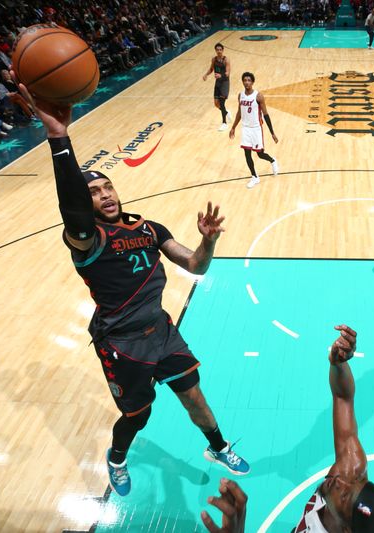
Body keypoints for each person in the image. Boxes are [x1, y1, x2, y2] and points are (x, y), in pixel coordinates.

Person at [17, 79, 250, 498]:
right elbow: (70, 204)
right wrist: (58, 138)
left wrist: (209, 240)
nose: (104, 195)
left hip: (161, 331)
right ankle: (118, 458)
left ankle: (218, 448)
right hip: (122, 344)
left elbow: (195, 266)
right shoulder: (87, 240)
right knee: (138, 416)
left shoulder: (147, 227)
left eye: (107, 186)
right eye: (93, 192)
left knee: (194, 397)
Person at [292, 325, 374, 532]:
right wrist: (338, 364)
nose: (341, 482)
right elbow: (343, 398)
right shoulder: (349, 470)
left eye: (345, 496)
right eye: (356, 482)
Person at [229, 72, 278, 189]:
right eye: (245, 80)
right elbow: (239, 113)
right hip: (245, 128)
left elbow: (266, 115)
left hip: (256, 129)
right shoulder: (240, 95)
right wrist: (233, 127)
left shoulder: (258, 96)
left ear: (252, 82)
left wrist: (272, 133)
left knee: (260, 154)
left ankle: (272, 160)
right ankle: (255, 177)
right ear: (242, 82)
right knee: (247, 153)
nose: (246, 82)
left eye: (249, 80)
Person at [203, 43, 232, 131]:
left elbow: (227, 73)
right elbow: (211, 69)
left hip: (225, 83)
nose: (219, 51)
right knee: (216, 103)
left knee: (222, 103)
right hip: (218, 83)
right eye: (217, 50)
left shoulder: (226, 60)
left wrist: (221, 75)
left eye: (220, 50)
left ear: (223, 50)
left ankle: (224, 123)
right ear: (215, 50)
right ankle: (226, 113)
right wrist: (206, 74)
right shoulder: (214, 59)